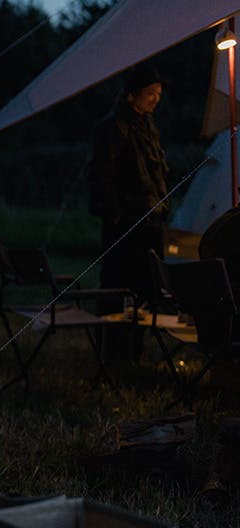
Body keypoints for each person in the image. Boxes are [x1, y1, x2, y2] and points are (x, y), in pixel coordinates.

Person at [87, 65, 169, 360]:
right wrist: (115, 216)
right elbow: (102, 177)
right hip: (125, 225)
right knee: (118, 285)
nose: (155, 100)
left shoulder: (148, 127)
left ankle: (134, 349)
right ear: (132, 95)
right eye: (150, 94)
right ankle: (113, 352)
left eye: (158, 94)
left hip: (150, 222)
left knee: (146, 287)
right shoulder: (112, 128)